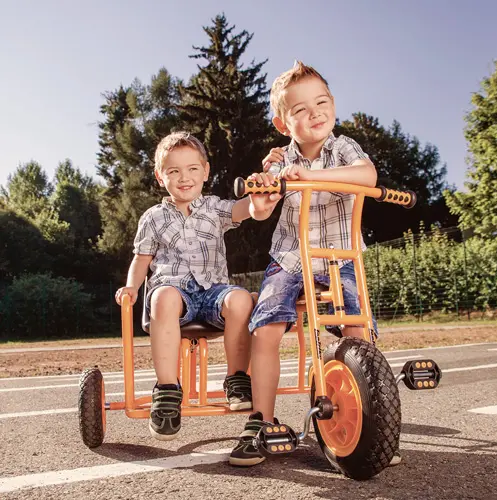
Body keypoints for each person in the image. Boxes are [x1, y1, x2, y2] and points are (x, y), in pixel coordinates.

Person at [229, 61, 401, 467]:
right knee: (267, 327)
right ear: (283, 124)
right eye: (301, 109)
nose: (315, 113)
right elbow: (260, 208)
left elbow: (367, 174)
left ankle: (371, 423)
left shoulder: (343, 148)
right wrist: (263, 196)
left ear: (333, 104)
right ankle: (260, 421)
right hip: (291, 257)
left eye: (322, 103)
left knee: (357, 327)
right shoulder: (277, 161)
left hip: (341, 256)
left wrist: (307, 177)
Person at [115, 131, 255, 441]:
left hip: (213, 292)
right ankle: (167, 389)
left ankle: (236, 380)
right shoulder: (153, 218)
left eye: (192, 169)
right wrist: (131, 287)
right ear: (160, 176)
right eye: (174, 171)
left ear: (205, 171)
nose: (184, 177)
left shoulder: (214, 208)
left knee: (241, 299)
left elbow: (244, 209)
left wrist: (262, 196)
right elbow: (141, 259)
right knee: (163, 297)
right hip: (174, 291)